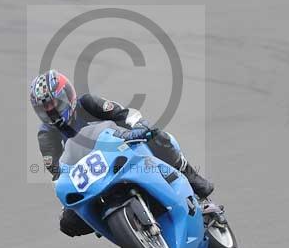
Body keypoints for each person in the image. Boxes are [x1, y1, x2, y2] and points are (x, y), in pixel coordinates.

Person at [29, 70, 213, 237]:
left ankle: (197, 187)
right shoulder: (46, 135)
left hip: (119, 151)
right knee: (67, 223)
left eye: (56, 105)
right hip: (90, 177)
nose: (53, 114)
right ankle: (117, 227)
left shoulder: (87, 103)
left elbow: (123, 114)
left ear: (68, 96)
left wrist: (139, 126)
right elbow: (56, 171)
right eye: (45, 111)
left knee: (158, 137)